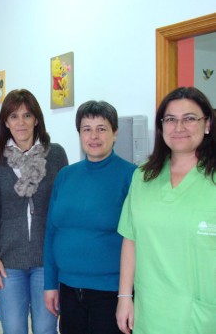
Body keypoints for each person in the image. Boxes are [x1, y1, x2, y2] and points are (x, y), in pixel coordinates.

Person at [116, 87, 216, 334]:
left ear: (207, 124)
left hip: (201, 314)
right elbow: (131, 240)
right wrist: (124, 297)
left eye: (190, 118)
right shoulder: (142, 177)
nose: (179, 127)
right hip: (151, 311)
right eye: (170, 119)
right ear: (162, 127)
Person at [44, 100, 136, 333]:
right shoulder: (65, 176)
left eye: (102, 129)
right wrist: (50, 284)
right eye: (87, 129)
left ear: (115, 133)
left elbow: (137, 239)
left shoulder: (132, 177)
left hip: (110, 292)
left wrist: (127, 295)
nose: (94, 136)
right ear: (80, 134)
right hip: (68, 289)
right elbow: (51, 233)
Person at [0, 89, 68, 334]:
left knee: (45, 329)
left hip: (46, 259)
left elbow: (64, 206)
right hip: (9, 260)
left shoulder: (56, 154)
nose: (21, 123)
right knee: (13, 328)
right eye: (14, 116)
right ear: (6, 122)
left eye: (27, 115)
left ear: (37, 119)